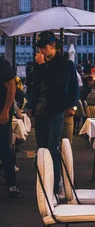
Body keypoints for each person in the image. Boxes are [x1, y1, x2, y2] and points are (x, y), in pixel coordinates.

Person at [28, 31, 79, 192]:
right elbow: (34, 87)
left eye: (43, 48)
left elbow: (57, 86)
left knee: (52, 148)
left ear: (53, 47)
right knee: (41, 149)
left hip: (57, 110)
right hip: (40, 111)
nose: (40, 52)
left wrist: (73, 106)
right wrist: (30, 106)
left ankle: (56, 185)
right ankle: (43, 181)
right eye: (39, 48)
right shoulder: (38, 64)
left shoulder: (65, 64)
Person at [0, 57, 19, 197]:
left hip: (1, 112)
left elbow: (12, 88)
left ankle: (11, 184)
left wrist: (6, 110)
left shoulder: (2, 64)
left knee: (4, 148)